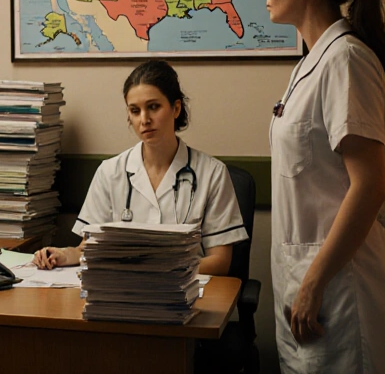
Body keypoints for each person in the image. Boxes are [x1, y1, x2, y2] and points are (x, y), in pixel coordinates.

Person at [260, 0, 385, 373]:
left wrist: (313, 282)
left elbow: (370, 185)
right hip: (306, 286)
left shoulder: (346, 60)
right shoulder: (311, 61)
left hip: (341, 290)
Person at [31, 60, 247, 275]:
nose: (144, 119)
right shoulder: (110, 172)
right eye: (135, 110)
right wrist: (62, 254)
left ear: (176, 108)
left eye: (153, 107)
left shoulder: (212, 174)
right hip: (125, 294)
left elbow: (220, 262)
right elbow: (87, 248)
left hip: (186, 292)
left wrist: (158, 269)